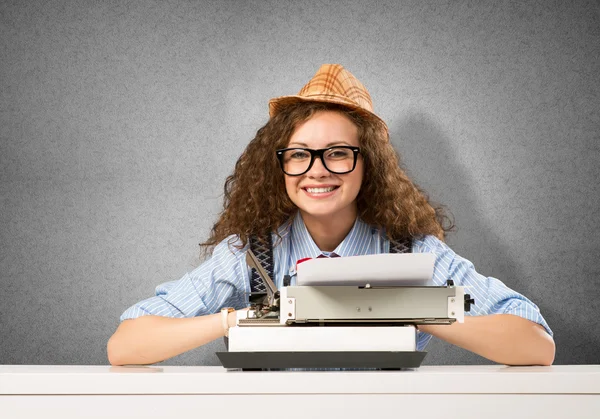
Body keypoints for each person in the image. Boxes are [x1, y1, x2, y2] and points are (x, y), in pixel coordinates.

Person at [107, 64, 555, 366]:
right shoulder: (248, 256)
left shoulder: (416, 253)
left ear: (368, 164)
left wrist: (412, 310)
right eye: (300, 154)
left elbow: (537, 344)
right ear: (280, 164)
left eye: (338, 153)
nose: (317, 171)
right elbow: (124, 346)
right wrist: (236, 319)